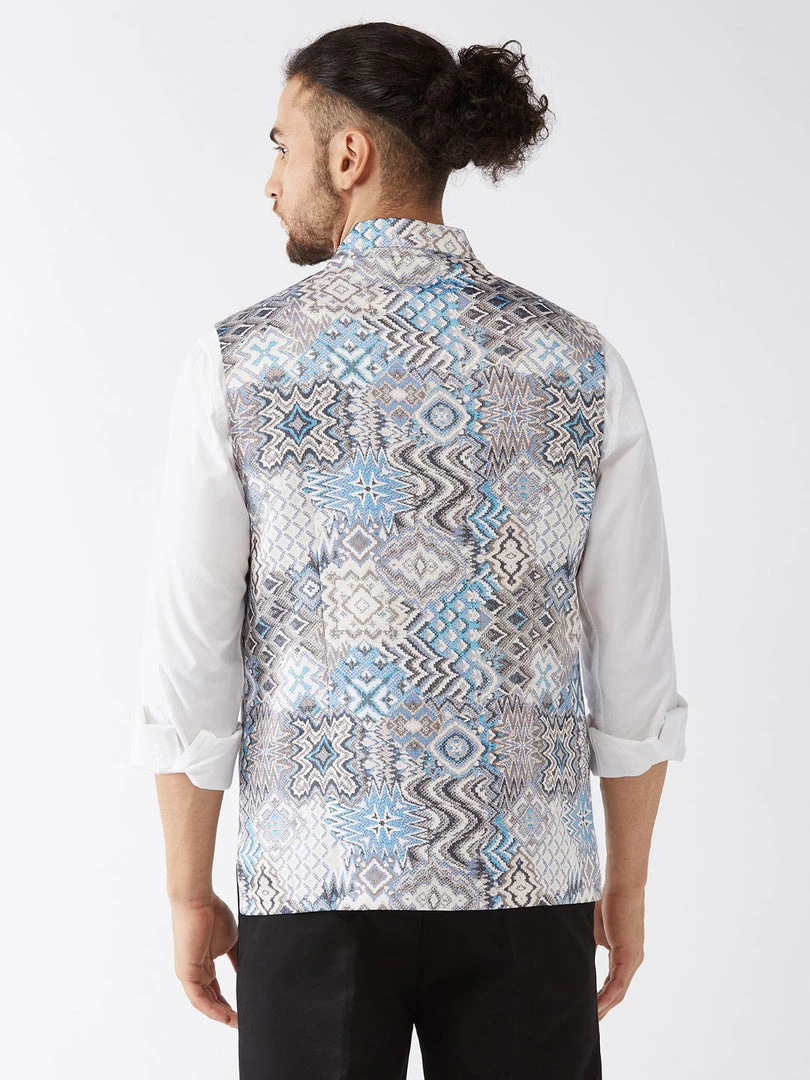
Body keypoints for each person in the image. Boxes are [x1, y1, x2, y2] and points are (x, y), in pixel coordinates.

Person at [128, 20, 688, 1080]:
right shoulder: (578, 363)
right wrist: (626, 881)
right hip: (529, 880)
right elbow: (636, 664)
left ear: (349, 156)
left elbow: (193, 659)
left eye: (282, 145)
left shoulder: (240, 364)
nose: (270, 180)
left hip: (315, 880)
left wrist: (188, 891)